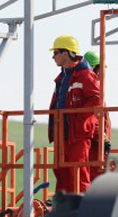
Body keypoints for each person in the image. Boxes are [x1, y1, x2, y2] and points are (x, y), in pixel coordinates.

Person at [48, 37, 100, 194]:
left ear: (66, 53)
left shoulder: (85, 74)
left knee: (78, 171)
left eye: (56, 53)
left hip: (77, 133)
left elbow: (97, 99)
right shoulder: (63, 76)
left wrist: (79, 118)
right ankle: (63, 203)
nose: (53, 57)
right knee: (61, 171)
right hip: (62, 132)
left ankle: (81, 202)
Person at [83, 50, 112, 181]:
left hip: (98, 143)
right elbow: (89, 117)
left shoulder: (92, 87)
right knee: (94, 180)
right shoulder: (89, 88)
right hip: (94, 144)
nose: (102, 73)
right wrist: (101, 137)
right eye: (100, 69)